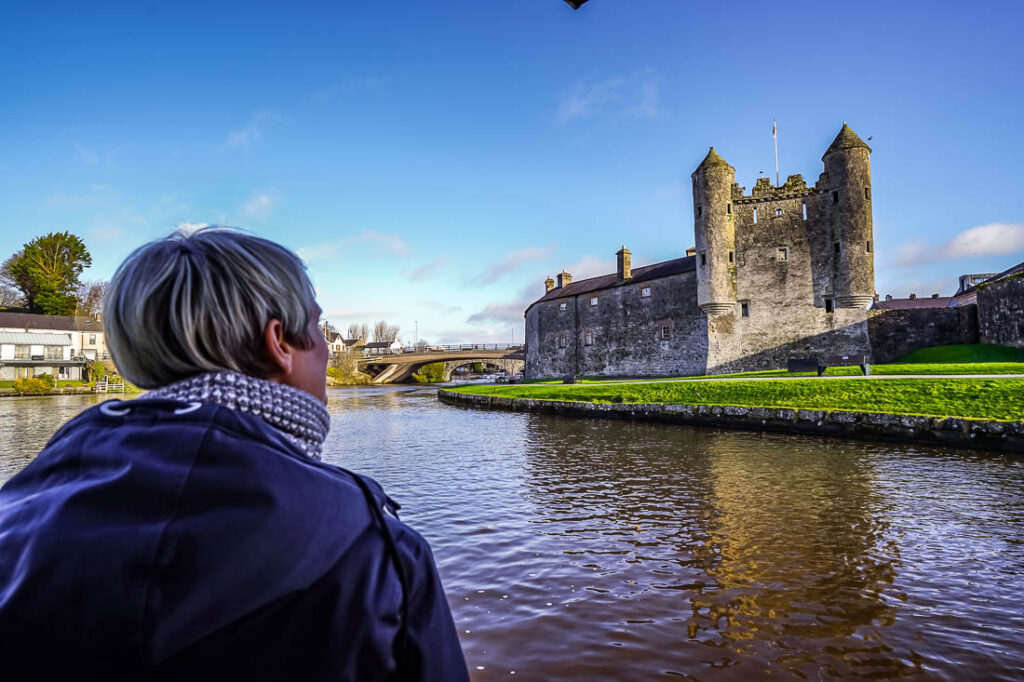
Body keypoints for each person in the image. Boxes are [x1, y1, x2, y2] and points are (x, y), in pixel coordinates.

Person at [0, 227, 470, 681]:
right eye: (316, 326)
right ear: (279, 343)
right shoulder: (372, 546)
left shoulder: (16, 514)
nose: (328, 350)